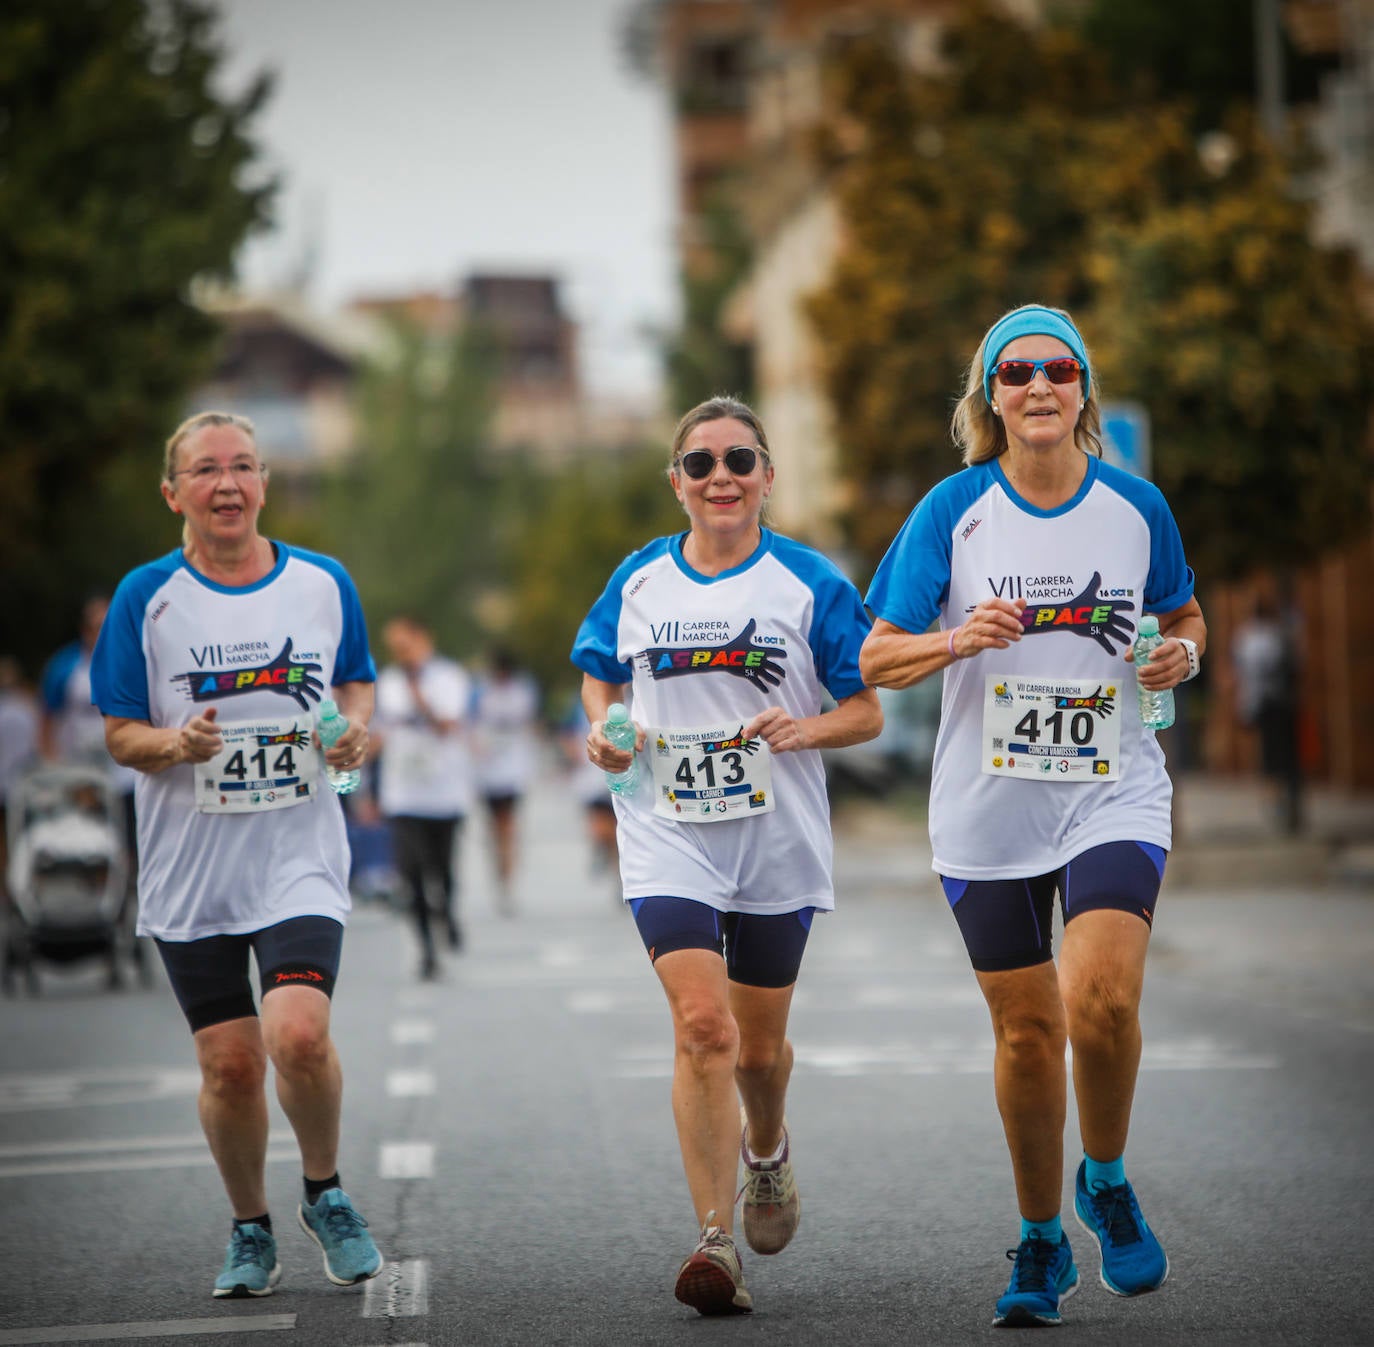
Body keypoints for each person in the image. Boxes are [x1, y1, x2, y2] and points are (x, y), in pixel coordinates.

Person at [860, 305, 1206, 1328]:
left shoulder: (1137, 508)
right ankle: (1044, 1241)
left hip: (1113, 789)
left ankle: (1104, 1176)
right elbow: (876, 655)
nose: (1040, 385)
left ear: (1084, 390)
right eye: (1017, 373)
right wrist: (957, 640)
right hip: (988, 807)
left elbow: (1183, 614)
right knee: (1025, 1035)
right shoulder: (953, 512)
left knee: (1098, 999)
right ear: (992, 397)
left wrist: (1181, 652)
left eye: (1060, 368)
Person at [571, 395, 883, 1317]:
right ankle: (714, 1239)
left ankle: (768, 1148)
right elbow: (598, 678)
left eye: (739, 461)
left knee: (760, 1050)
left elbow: (866, 709)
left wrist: (807, 726)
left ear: (767, 478)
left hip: (774, 840)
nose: (721, 478)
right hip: (665, 831)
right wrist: (604, 732)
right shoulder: (638, 583)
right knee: (705, 1027)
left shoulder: (807, 582)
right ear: (676, 482)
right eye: (701, 464)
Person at [90, 410, 383, 1299]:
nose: (228, 484)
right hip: (192, 866)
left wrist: (354, 731)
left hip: (297, 851)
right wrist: (172, 746)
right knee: (228, 1062)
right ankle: (250, 1225)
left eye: (245, 467)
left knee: (296, 1033)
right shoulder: (147, 596)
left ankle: (325, 1192)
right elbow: (116, 732)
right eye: (207, 469)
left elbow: (357, 680)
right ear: (173, 491)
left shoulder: (323, 583)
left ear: (265, 483)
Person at [373, 614, 472, 976]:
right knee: (410, 873)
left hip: (444, 792)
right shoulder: (387, 681)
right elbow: (381, 731)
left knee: (441, 870)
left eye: (404, 646)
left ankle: (446, 912)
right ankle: (427, 949)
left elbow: (447, 725)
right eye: (394, 649)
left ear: (422, 639)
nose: (399, 655)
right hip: (402, 793)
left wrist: (418, 694)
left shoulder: (449, 677)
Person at [472, 648, 540, 914]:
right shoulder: (480, 690)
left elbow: (528, 721)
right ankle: (499, 873)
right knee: (493, 828)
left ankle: (508, 879)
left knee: (508, 826)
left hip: (513, 765)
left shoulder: (523, 689)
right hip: (488, 767)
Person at [1231, 593, 1301, 834]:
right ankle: (1277, 799)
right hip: (1276, 700)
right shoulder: (1274, 635)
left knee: (1267, 753)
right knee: (1281, 753)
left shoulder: (1245, 636)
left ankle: (1273, 798)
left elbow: (1239, 668)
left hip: (1256, 701)